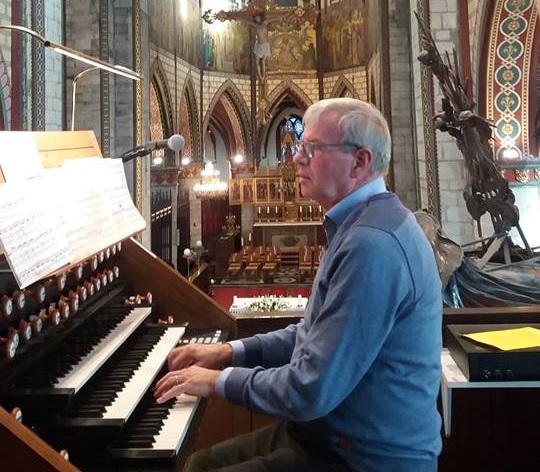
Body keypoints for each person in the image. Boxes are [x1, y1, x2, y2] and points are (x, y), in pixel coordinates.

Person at [153, 98, 443, 472]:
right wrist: (230, 352)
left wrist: (217, 382)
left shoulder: (372, 244)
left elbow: (310, 389)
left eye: (312, 149)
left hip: (368, 454)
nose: (296, 158)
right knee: (200, 462)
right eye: (299, 146)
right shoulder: (360, 224)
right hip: (332, 432)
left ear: (360, 161)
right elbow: (313, 334)